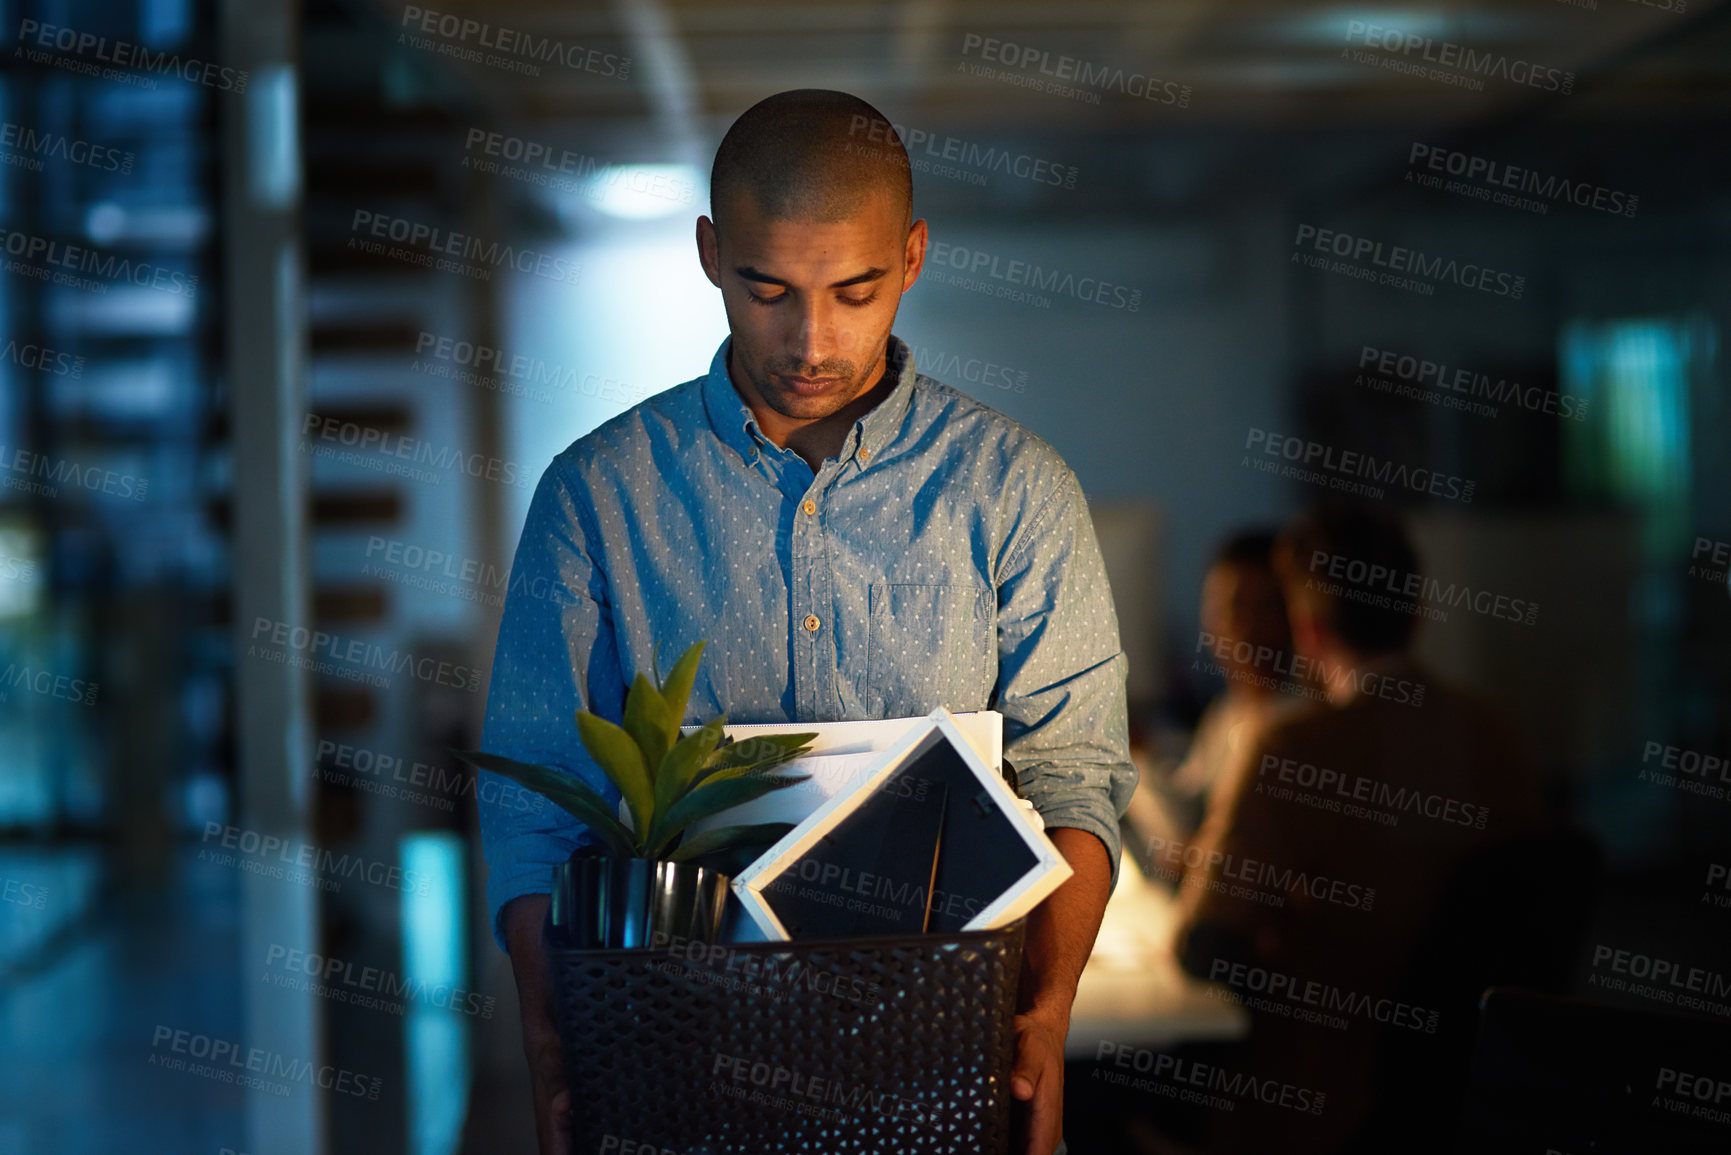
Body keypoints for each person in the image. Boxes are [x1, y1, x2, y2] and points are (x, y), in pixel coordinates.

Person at [476, 89, 1137, 1155]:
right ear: (708, 252)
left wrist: (1045, 1025)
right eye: (767, 288)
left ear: (914, 257)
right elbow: (532, 807)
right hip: (675, 1073)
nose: (813, 338)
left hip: (946, 1066)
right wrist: (553, 1048)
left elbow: (1078, 779)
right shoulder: (596, 494)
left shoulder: (1017, 491)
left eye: (856, 290)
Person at [1169, 507, 1543, 1153]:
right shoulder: (1495, 727)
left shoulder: (1292, 746)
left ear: (1306, 630)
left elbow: (1203, 940)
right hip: (1471, 1088)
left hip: (1320, 1091)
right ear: (1419, 611)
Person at [1126, 529, 1298, 853]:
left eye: (1266, 607)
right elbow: (1192, 810)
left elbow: (1194, 850)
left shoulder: (1296, 727)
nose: (1246, 627)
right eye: (1232, 607)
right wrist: (1140, 753)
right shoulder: (1229, 711)